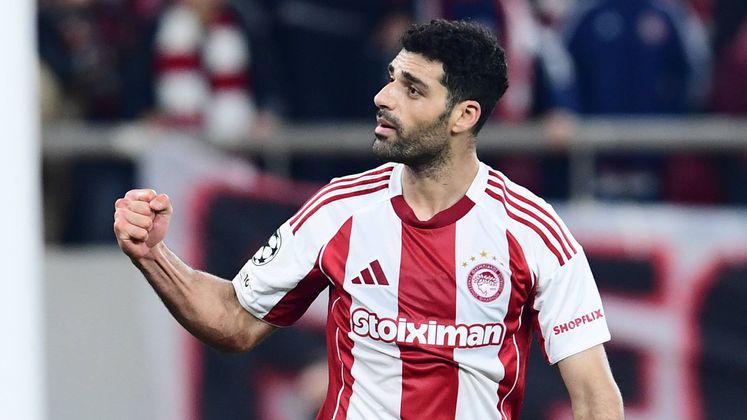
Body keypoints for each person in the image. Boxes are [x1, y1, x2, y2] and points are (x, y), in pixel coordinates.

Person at [114, 19, 624, 419]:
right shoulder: (340, 209)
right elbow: (233, 321)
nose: (384, 98)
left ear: (464, 116)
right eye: (391, 79)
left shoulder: (533, 231)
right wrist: (152, 255)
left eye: (413, 89)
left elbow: (596, 397)